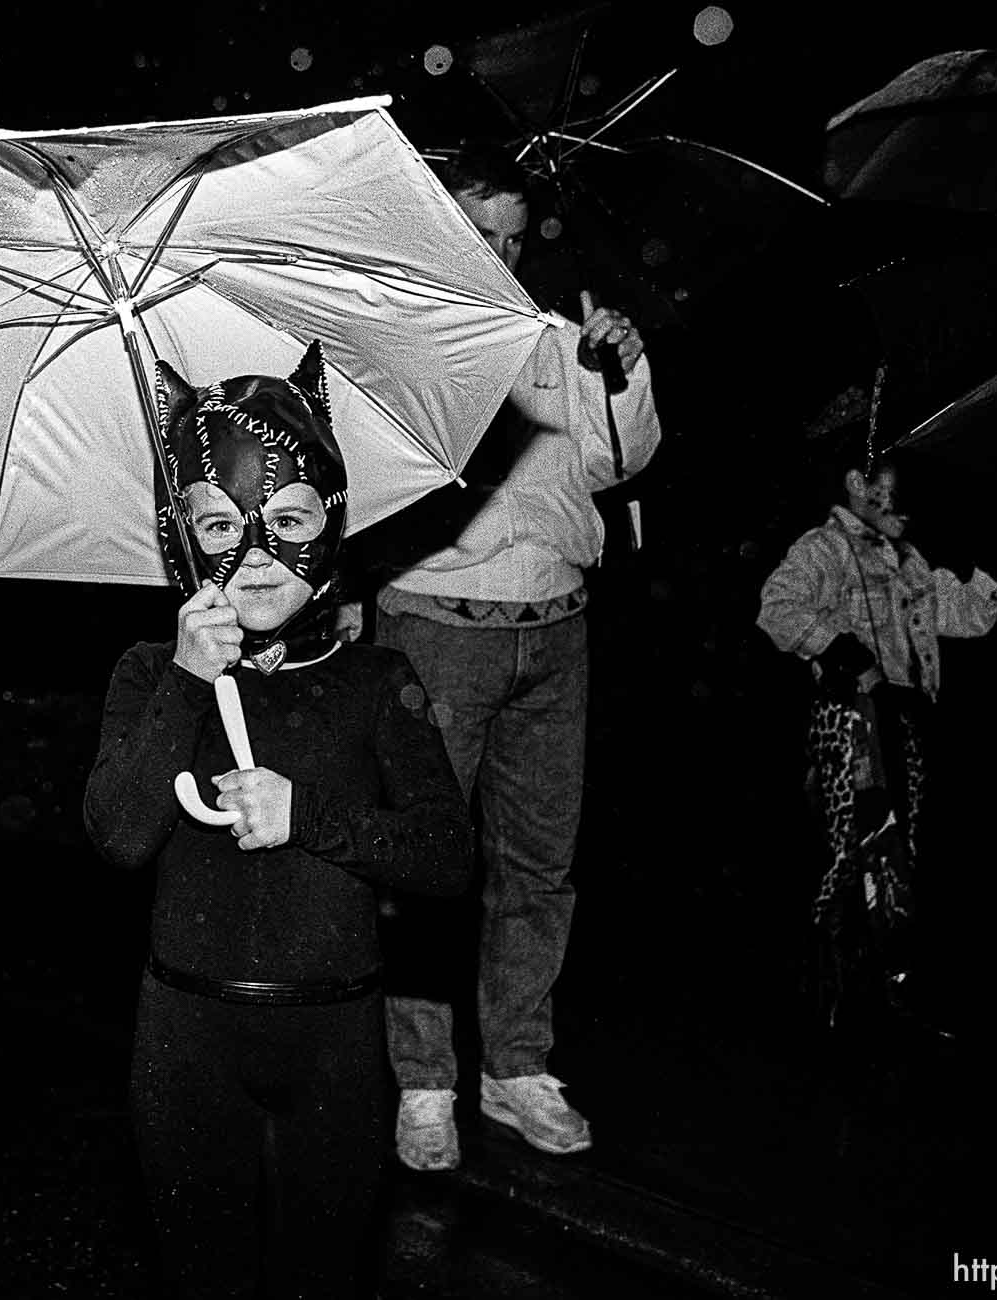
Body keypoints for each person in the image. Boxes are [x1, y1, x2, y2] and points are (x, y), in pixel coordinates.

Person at [82, 344, 472, 1298]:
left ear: (330, 527)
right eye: (219, 525)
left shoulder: (378, 683)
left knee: (322, 1274)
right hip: (184, 1037)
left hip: (334, 1041)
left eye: (286, 519)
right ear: (182, 539)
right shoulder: (149, 672)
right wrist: (184, 680)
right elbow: (119, 837)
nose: (254, 554)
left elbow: (448, 859)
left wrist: (311, 816)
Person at [340, 143, 661, 1172]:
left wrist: (623, 370)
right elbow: (362, 486)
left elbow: (618, 462)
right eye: (482, 232)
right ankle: (424, 1083)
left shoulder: (557, 338)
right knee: (428, 866)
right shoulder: (397, 342)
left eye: (516, 237)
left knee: (539, 867)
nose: (502, 251)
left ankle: (517, 1067)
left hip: (557, 629)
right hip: (437, 625)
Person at [756, 451, 997, 1030]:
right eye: (897, 486)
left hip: (902, 724)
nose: (910, 505)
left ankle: (888, 991)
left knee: (900, 860)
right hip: (850, 725)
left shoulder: (911, 560)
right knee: (849, 857)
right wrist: (847, 654)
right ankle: (829, 999)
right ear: (856, 483)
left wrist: (992, 564)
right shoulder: (824, 548)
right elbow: (778, 607)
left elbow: (969, 616)